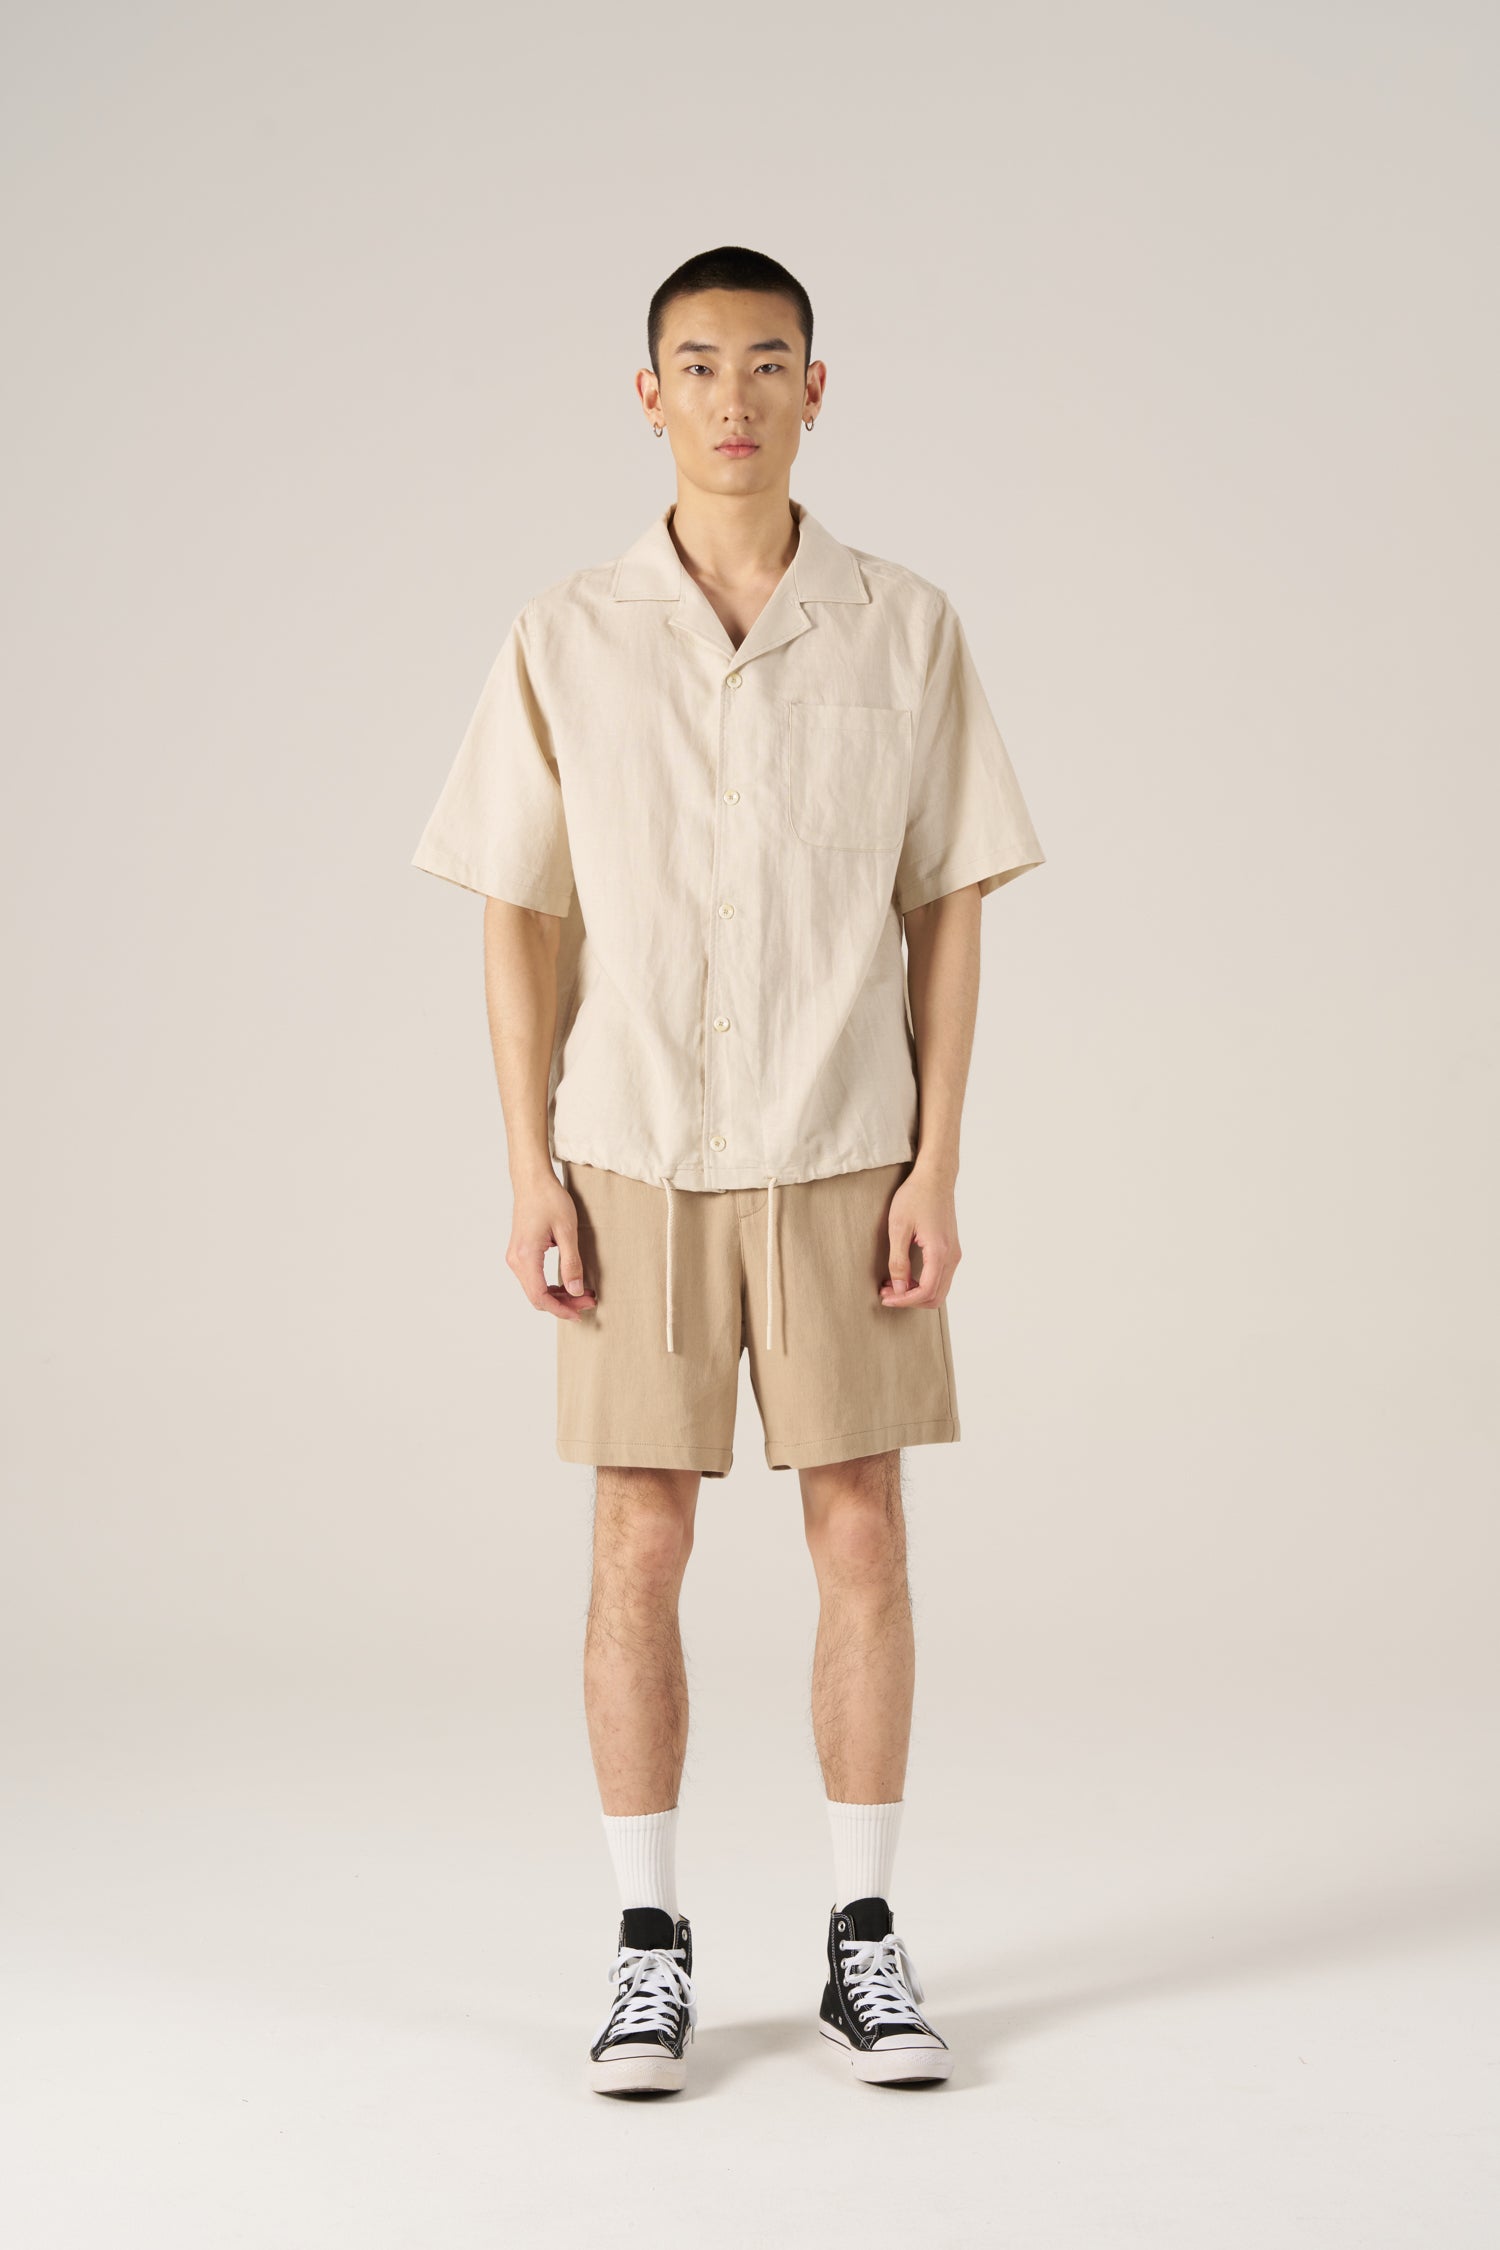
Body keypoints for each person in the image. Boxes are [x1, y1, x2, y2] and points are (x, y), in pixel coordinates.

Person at [411, 245, 1045, 2098]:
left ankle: (864, 1938)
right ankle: (647, 1945)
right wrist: (526, 1165)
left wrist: (938, 1160)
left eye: (769, 362)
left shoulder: (905, 626)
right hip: (635, 1148)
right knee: (639, 1537)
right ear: (650, 397)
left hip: (847, 1142)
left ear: (816, 389)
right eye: (698, 364)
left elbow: (950, 904)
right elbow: (518, 913)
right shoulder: (566, 633)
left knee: (864, 1528)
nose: (734, 397)